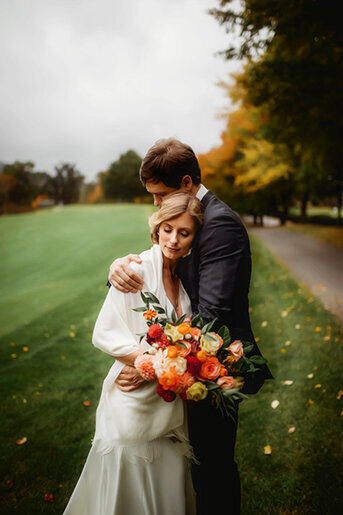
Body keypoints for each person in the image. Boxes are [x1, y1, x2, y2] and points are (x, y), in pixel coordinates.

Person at [108, 138, 273, 515]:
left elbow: (210, 315)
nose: (156, 204)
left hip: (215, 368)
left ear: (186, 183)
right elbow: (160, 261)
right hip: (188, 361)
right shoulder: (192, 216)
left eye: (160, 194)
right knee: (190, 465)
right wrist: (120, 268)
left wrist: (152, 364)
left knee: (212, 468)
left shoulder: (221, 225)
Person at [63, 193, 203, 515]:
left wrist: (161, 369)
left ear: (194, 237)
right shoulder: (136, 269)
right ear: (157, 228)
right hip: (132, 402)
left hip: (167, 404)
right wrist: (144, 364)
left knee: (167, 485)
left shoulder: (182, 281)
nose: (173, 240)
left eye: (184, 233)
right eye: (168, 229)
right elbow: (104, 332)